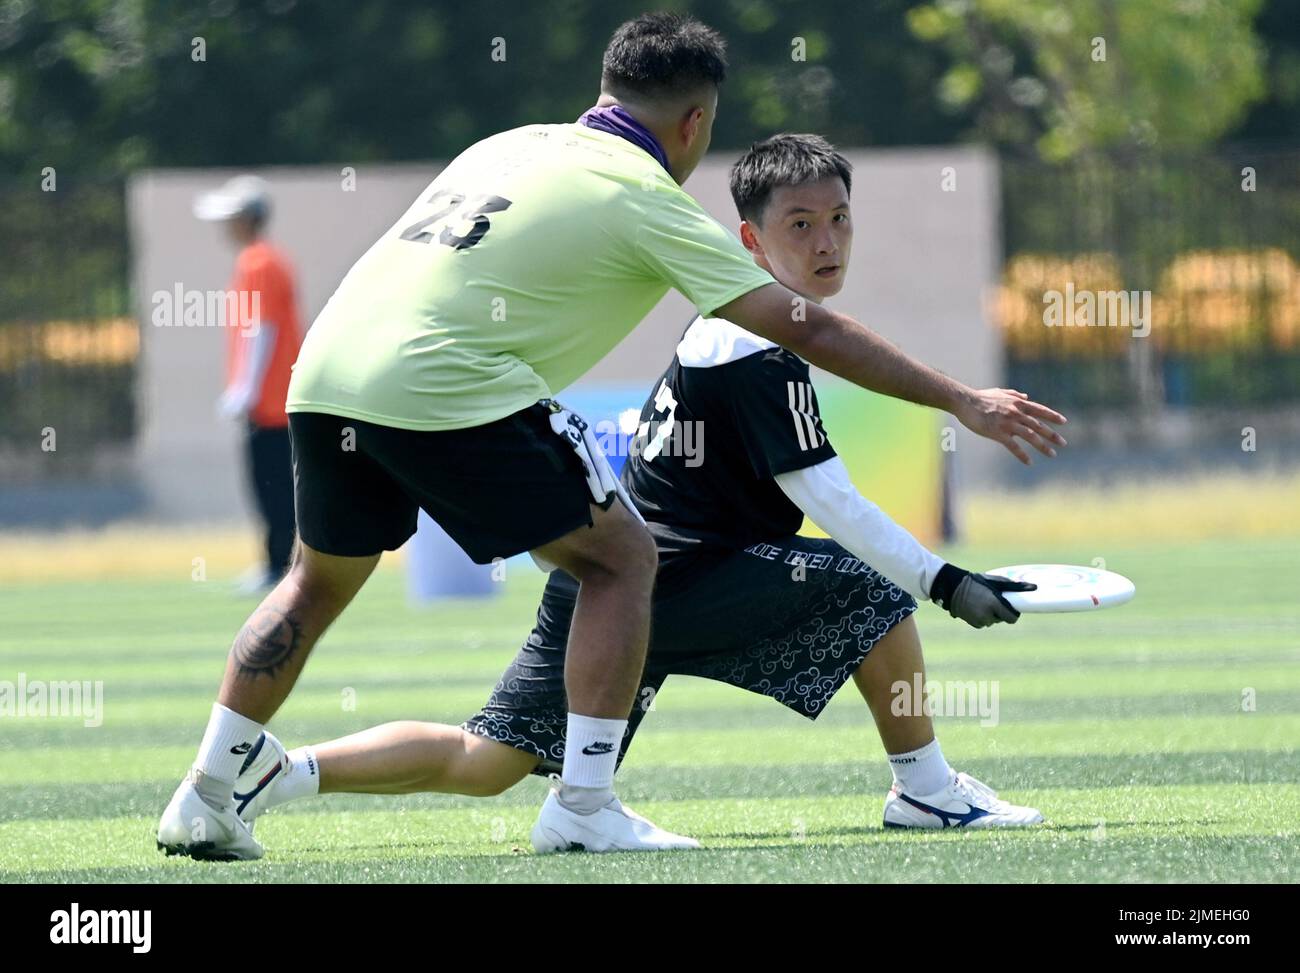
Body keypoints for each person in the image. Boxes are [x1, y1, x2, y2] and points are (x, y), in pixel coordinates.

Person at [158, 13, 1064, 861]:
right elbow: (810, 329)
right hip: (448, 381)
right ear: (694, 123)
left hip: (327, 375)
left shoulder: (503, 146)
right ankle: (587, 808)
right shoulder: (645, 194)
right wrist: (962, 402)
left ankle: (208, 789)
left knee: (316, 586)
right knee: (624, 557)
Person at [193, 175, 303, 594]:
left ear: (247, 219)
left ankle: (279, 566)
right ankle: (277, 563)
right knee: (273, 486)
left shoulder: (258, 262)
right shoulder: (262, 260)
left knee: (273, 487)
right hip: (271, 402)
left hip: (272, 404)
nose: (224, 226)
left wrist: (245, 389)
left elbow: (262, 328)